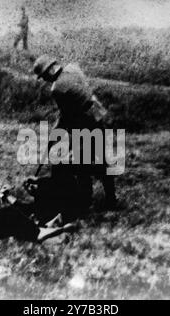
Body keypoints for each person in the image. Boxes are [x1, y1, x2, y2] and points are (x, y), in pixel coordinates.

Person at [32, 55, 118, 209]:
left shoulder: (57, 88)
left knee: (80, 163)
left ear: (50, 70)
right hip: (98, 113)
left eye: (45, 76)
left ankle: (85, 202)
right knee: (101, 159)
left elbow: (65, 115)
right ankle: (111, 200)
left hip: (84, 122)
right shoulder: (73, 68)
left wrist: (55, 134)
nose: (45, 80)